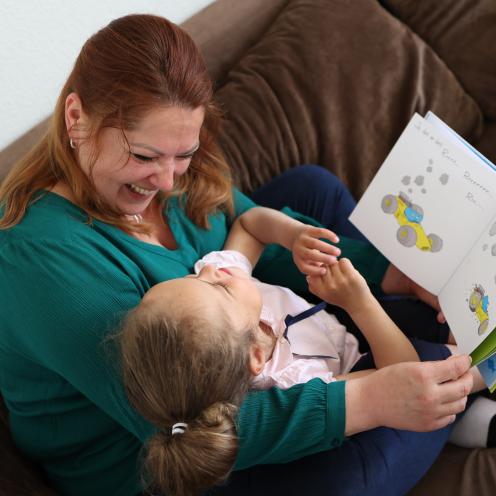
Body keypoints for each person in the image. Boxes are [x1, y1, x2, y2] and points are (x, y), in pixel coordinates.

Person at [0, 13, 477, 496]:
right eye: (143, 157)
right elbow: (183, 425)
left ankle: (418, 332)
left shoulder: (168, 170)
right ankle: (457, 377)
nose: (166, 181)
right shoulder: (40, 260)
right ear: (76, 118)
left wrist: (390, 273)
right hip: (170, 453)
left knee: (312, 190)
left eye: (183, 154)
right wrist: (373, 397)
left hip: (235, 337)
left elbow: (245, 228)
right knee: (384, 426)